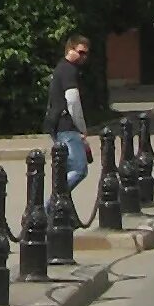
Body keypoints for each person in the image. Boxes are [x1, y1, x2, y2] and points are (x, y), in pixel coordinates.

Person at [45, 33, 93, 193]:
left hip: (58, 124)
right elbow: (72, 101)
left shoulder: (61, 68)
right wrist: (82, 128)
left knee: (67, 170)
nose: (84, 56)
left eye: (86, 53)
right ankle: (51, 206)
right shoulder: (68, 70)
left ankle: (62, 211)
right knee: (79, 169)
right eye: (81, 52)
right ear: (70, 50)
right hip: (67, 126)